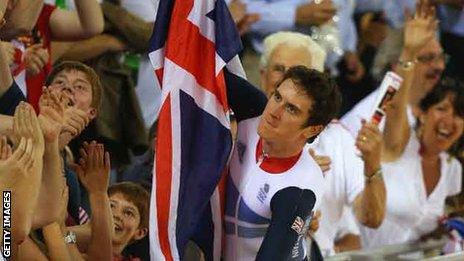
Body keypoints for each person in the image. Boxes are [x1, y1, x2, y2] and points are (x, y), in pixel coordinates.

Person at [258, 31, 386, 256]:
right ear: (262, 75)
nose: (287, 82)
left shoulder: (339, 140)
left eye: (299, 73)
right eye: (279, 69)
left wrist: (373, 166)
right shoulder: (241, 127)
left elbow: (370, 218)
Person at [358, 2, 463, 250]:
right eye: (441, 109)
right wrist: (408, 52)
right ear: (421, 114)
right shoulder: (399, 142)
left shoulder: (453, 169)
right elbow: (394, 105)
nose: (449, 121)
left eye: (459, 114)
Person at [224, 65, 341, 260]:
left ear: (312, 130)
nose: (274, 112)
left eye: (291, 109)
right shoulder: (254, 110)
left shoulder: (299, 187)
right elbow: (205, 63)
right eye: (277, 97)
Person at [342, 0, 446, 137]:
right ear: (397, 64)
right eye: (427, 58)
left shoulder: (429, 110)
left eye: (441, 57)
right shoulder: (379, 107)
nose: (440, 66)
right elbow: (391, 149)